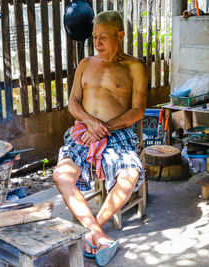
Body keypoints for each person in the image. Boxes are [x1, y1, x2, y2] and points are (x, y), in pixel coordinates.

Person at [53, 10, 147, 266]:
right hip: (83, 133)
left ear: (120, 35)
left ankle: (93, 230)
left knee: (130, 175)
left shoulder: (134, 66)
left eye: (103, 37)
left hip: (117, 134)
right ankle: (99, 235)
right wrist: (92, 123)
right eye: (94, 37)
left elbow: (138, 110)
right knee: (62, 175)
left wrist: (104, 127)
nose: (97, 43)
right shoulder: (85, 64)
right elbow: (73, 103)